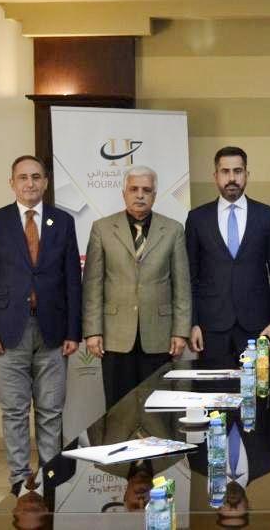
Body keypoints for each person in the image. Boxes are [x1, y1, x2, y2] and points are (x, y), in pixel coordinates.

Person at [0, 155, 81, 495]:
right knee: (14, 411)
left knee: (51, 410)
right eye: (23, 177)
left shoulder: (63, 221)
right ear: (12, 183)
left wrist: (73, 331)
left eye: (36, 177)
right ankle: (20, 478)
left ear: (45, 182)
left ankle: (49, 476)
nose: (30, 183)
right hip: (6, 333)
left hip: (53, 331)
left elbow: (72, 280)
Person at [82, 165, 191, 409]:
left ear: (154, 195)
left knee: (158, 408)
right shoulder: (102, 228)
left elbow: (181, 286)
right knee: (118, 408)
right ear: (124, 193)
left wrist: (180, 331)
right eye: (134, 189)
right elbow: (92, 285)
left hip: (160, 335)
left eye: (146, 190)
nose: (140, 195)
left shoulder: (173, 229)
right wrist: (92, 331)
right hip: (115, 335)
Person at [185, 147, 270, 367]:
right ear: (215, 176)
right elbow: (190, 276)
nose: (232, 178)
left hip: (257, 326)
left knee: (258, 386)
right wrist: (192, 323)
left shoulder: (267, 216)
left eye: (238, 171)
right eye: (225, 171)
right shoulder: (197, 218)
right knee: (213, 387)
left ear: (247, 175)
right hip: (211, 327)